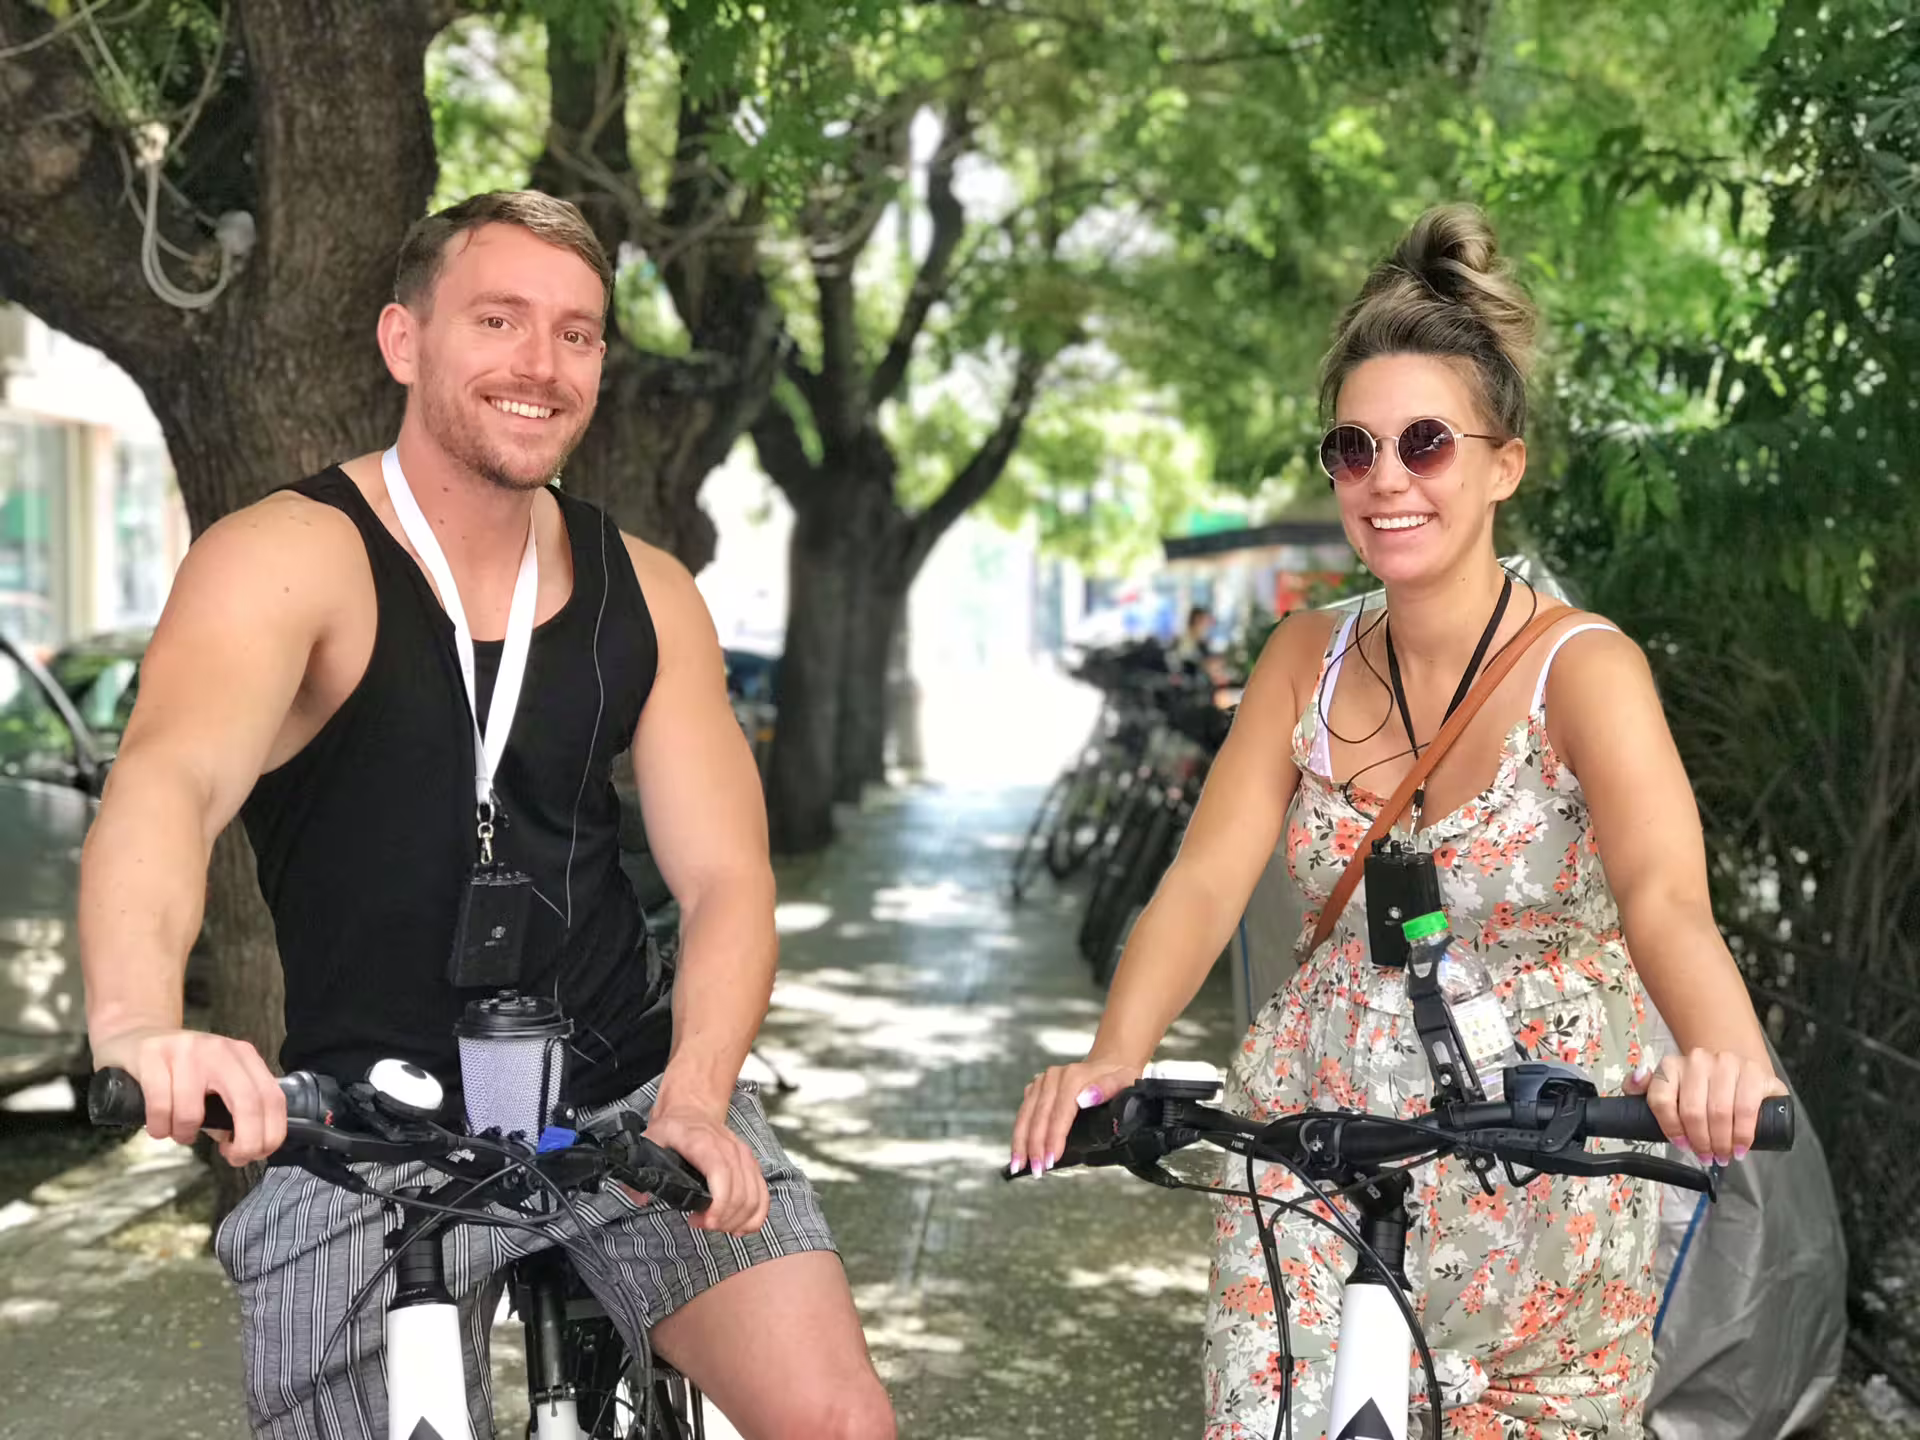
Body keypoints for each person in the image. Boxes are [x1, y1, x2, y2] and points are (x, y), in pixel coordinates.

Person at [79, 190, 895, 1440]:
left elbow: (729, 880)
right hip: (366, 1122)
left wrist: (696, 1090)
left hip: (624, 1095)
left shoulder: (650, 593)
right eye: (499, 320)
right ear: (405, 343)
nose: (541, 363)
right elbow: (167, 786)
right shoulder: (289, 555)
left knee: (838, 1424)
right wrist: (138, 1027)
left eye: (577, 334)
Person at [1010, 204, 1786, 1440]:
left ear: (1502, 464)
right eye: (1353, 447)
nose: (1387, 479)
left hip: (1543, 1150)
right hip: (1323, 1143)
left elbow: (1664, 901)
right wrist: (1114, 1054)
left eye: (1425, 443)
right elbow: (1206, 880)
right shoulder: (1301, 658)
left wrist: (1724, 1061)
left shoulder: (1583, 670)